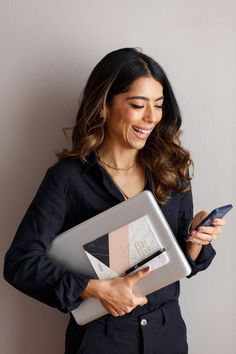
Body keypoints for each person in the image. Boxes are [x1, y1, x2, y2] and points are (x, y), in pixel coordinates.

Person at [4, 48, 226, 354]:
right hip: (101, 340)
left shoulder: (170, 171)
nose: (152, 117)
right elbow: (21, 263)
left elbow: (182, 265)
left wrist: (196, 237)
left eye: (159, 106)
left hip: (167, 336)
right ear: (104, 106)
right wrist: (94, 288)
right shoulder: (68, 178)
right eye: (138, 105)